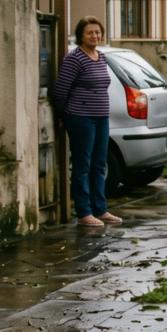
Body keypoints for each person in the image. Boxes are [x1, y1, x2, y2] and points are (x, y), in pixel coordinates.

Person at [53, 17, 121, 226]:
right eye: (90, 32)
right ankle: (84, 213)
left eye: (98, 32)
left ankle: (100, 210)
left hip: (101, 117)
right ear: (80, 35)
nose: (95, 36)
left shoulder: (100, 56)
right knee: (83, 165)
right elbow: (60, 91)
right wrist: (63, 116)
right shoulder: (74, 59)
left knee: (99, 164)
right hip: (80, 118)